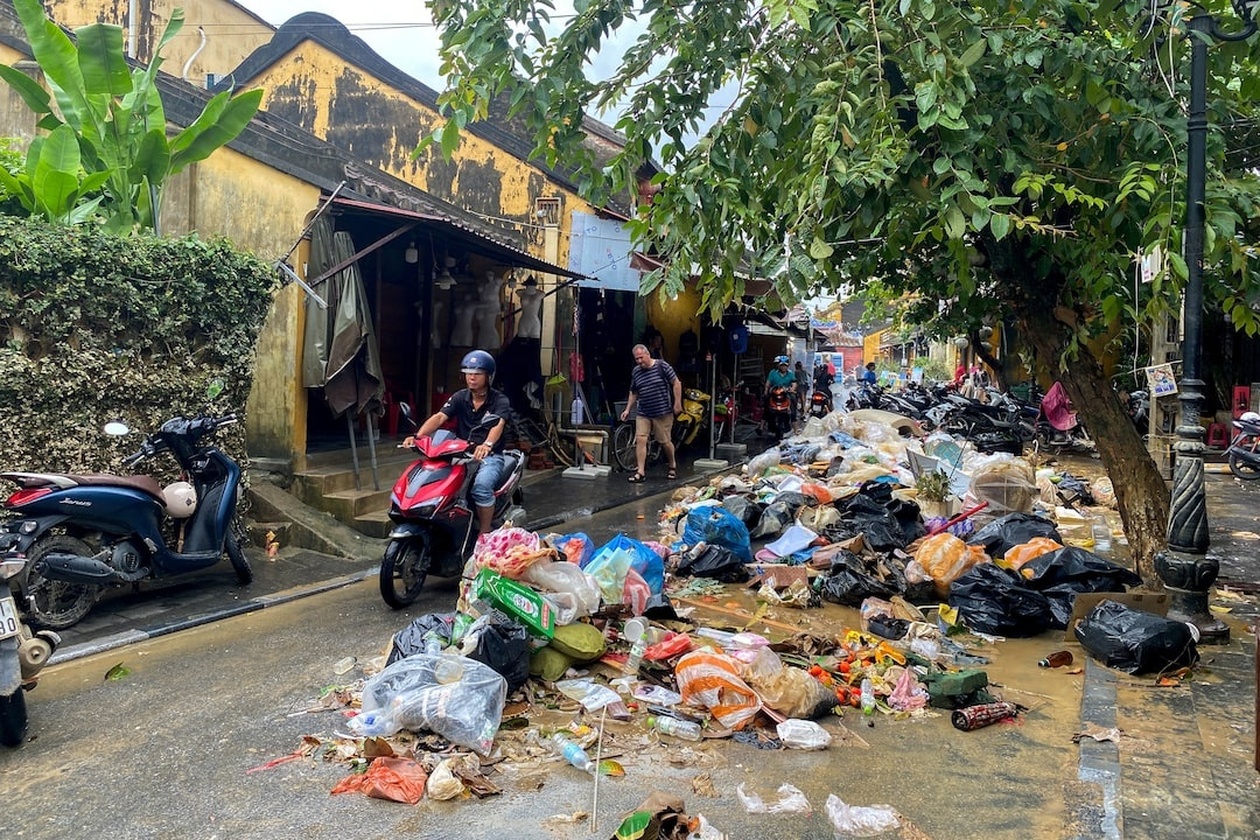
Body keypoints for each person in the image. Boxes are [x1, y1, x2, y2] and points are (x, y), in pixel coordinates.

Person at [412, 350, 511, 535]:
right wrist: (418, 436)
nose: (471, 378)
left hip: (489, 456)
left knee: (481, 487)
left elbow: (498, 424)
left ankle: (484, 532)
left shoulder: (499, 400)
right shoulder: (459, 397)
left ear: (488, 376)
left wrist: (487, 445)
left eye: (477, 374)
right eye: (468, 373)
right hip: (460, 453)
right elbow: (440, 417)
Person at [620, 343, 682, 482]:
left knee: (665, 441)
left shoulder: (662, 366)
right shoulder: (636, 371)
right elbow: (633, 391)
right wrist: (627, 409)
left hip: (662, 412)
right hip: (643, 412)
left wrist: (677, 403)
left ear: (648, 354)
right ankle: (640, 471)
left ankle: (672, 464)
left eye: (641, 357)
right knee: (641, 439)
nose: (640, 361)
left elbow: (676, 383)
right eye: (637, 359)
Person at [765, 354, 797, 427]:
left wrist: (792, 389)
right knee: (766, 403)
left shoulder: (790, 374)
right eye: (781, 365)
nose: (783, 367)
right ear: (778, 366)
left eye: (785, 365)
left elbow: (794, 383)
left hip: (786, 393)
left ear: (787, 366)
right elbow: (768, 383)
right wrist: (766, 391)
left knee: (793, 400)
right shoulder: (773, 373)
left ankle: (795, 426)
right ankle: (762, 425)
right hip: (774, 392)